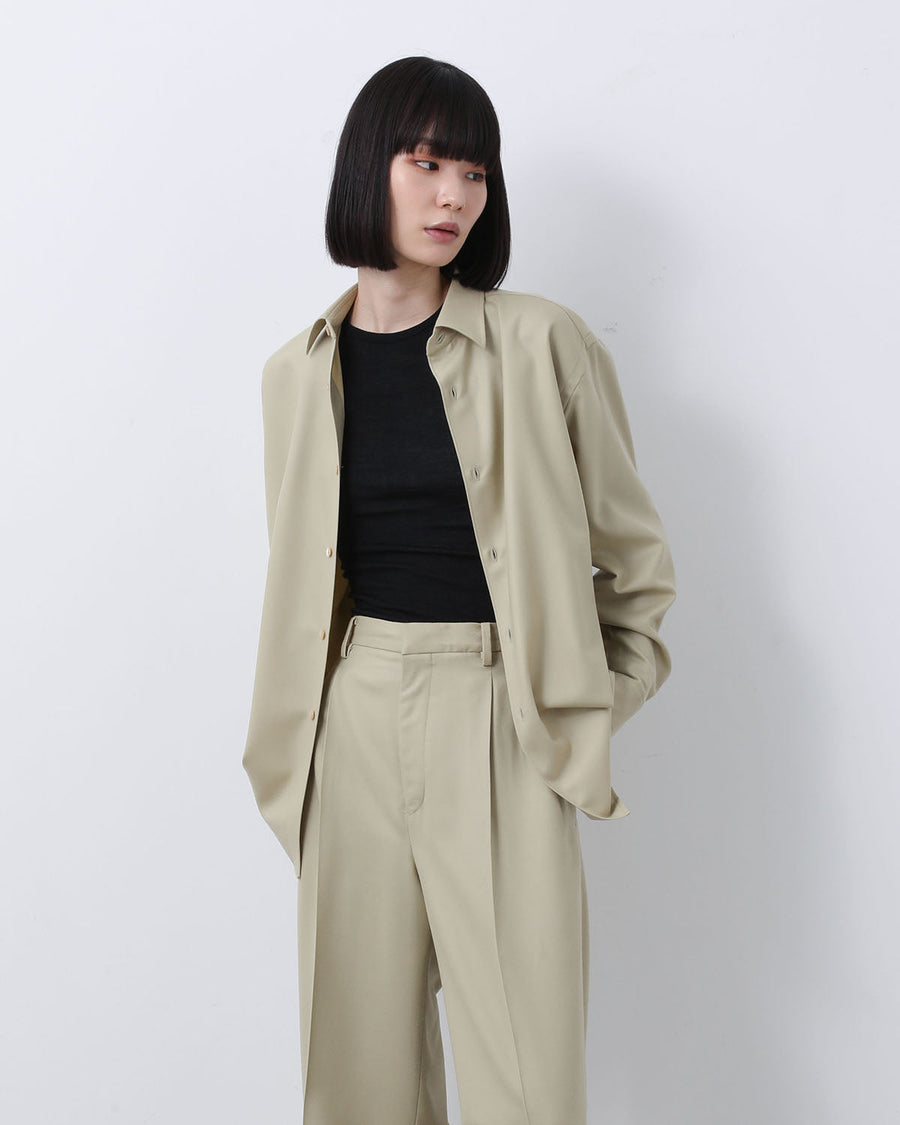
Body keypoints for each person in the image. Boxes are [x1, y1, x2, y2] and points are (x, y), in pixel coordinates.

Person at [242, 55, 677, 1125]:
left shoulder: (543, 343)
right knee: (357, 1077)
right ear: (369, 169)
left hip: (501, 715)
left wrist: (572, 707)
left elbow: (639, 576)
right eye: (427, 163)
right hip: (351, 717)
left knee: (526, 1077)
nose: (454, 197)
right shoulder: (296, 373)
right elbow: (307, 582)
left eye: (475, 172)